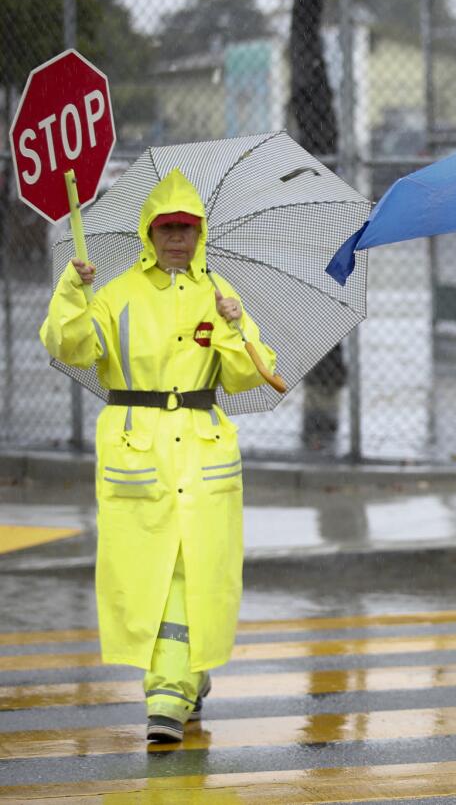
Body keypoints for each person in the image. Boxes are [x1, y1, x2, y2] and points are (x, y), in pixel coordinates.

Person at [39, 168, 277, 743]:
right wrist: (74, 290)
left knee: (195, 567)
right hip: (135, 448)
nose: (177, 237)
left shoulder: (219, 295)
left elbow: (252, 376)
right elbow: (66, 344)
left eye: (187, 228)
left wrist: (236, 326)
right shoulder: (114, 294)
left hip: (202, 450)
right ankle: (176, 685)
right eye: (167, 227)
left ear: (200, 233)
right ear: (150, 231)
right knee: (150, 571)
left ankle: (173, 690)